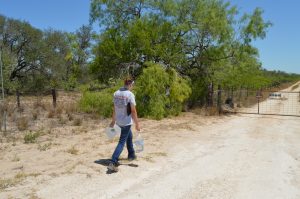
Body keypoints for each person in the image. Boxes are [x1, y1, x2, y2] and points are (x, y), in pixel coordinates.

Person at [107, 78, 141, 172]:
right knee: (121, 142)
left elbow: (114, 108)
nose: (133, 87)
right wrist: (137, 124)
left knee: (129, 136)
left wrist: (113, 120)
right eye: (132, 85)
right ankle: (113, 162)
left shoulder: (116, 93)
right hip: (126, 122)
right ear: (130, 85)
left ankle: (131, 154)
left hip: (119, 121)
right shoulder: (130, 94)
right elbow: (133, 111)